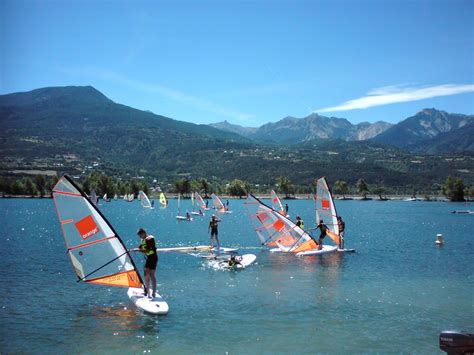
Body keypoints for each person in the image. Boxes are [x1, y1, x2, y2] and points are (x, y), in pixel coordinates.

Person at [134, 228, 158, 298]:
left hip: (152, 258)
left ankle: (152, 292)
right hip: (150, 258)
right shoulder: (144, 240)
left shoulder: (149, 239)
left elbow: (148, 250)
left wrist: (139, 251)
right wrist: (136, 249)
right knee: (147, 274)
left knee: (150, 275)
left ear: (143, 233)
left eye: (140, 235)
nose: (140, 237)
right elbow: (141, 247)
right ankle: (149, 292)